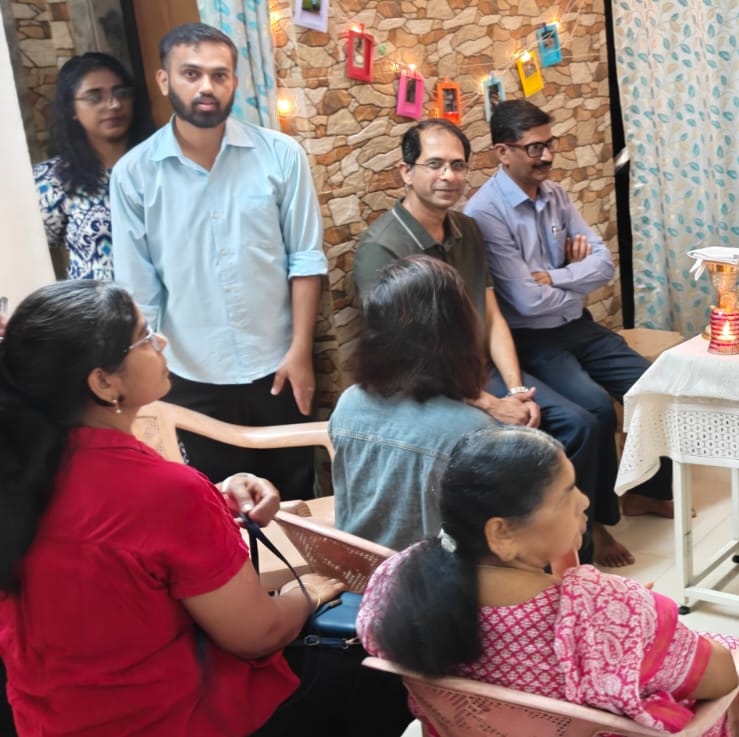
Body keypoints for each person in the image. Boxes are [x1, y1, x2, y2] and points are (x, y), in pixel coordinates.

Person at [0, 281, 410, 737]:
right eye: (144, 337)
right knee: (385, 670)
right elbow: (256, 635)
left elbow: (106, 529)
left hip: (47, 720)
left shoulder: (21, 473)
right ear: (103, 382)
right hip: (166, 722)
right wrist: (309, 592)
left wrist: (217, 494)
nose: (161, 341)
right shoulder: (164, 492)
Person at [356, 427, 739, 736]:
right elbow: (722, 676)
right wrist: (634, 617)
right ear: (501, 533)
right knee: (735, 651)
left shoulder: (396, 580)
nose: (585, 501)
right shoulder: (603, 610)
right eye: (567, 493)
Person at [350, 121, 603, 557]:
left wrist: (517, 390)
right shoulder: (382, 248)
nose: (448, 176)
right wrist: (491, 404)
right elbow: (404, 358)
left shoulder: (466, 230)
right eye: (434, 164)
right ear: (405, 172)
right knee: (513, 440)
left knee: (579, 424)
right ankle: (518, 556)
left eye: (458, 165)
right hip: (428, 385)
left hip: (481, 373)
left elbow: (493, 315)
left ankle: (572, 549)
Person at [110, 23, 324, 499]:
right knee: (215, 504)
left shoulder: (281, 155)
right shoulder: (133, 175)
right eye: (191, 73)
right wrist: (149, 379)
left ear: (234, 82)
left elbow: (306, 259)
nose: (206, 86)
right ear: (164, 80)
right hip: (189, 375)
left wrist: (301, 351)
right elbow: (140, 290)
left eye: (219, 75)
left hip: (280, 365)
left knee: (295, 499)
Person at [464, 99, 673, 567]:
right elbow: (524, 301)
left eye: (550, 143)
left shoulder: (555, 194)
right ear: (503, 152)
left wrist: (557, 276)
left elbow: (603, 264)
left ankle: (646, 491)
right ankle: (592, 526)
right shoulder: (485, 212)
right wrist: (573, 277)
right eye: (534, 147)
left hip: (578, 325)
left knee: (653, 383)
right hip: (531, 338)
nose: (547, 155)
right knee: (594, 410)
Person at [332, 256, 501, 549]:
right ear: (457, 331)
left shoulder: (349, 403)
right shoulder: (474, 432)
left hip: (358, 569)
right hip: (431, 577)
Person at [34, 53, 152, 281]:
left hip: (175, 300)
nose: (114, 104)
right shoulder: (53, 179)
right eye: (94, 97)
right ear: (71, 109)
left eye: (121, 93)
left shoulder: (162, 164)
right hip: (98, 303)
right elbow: (25, 258)